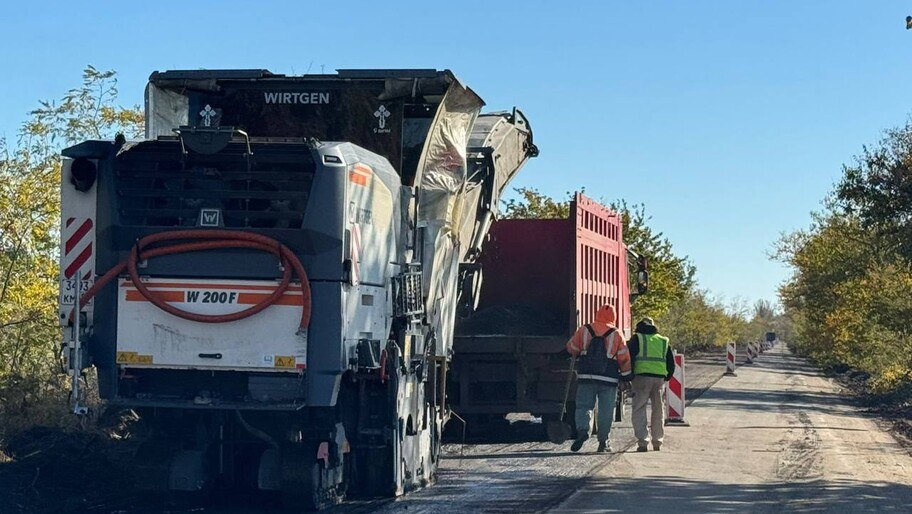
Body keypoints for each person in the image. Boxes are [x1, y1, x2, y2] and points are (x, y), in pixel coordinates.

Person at [565, 304, 632, 453]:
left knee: (584, 406)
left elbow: (572, 348)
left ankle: (583, 430)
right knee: (606, 410)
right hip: (609, 378)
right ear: (614, 317)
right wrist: (626, 376)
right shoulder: (617, 333)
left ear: (597, 314)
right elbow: (624, 358)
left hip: (586, 375)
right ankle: (603, 442)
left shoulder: (584, 329)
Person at [628, 317, 675, 452]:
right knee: (658, 410)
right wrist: (667, 376)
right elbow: (671, 362)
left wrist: (629, 376)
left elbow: (629, 358)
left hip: (641, 378)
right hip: (659, 379)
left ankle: (643, 442)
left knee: (639, 408)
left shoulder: (637, 338)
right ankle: (657, 442)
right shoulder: (663, 340)